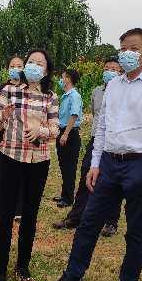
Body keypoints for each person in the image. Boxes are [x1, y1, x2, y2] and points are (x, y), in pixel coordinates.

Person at [46, 28, 142, 281]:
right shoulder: (115, 86)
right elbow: (102, 127)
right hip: (108, 162)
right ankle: (73, 275)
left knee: (136, 230)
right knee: (89, 222)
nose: (127, 53)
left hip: (139, 164)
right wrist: (95, 164)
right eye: (123, 49)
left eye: (133, 48)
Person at [0, 48, 59, 281]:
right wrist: (2, 117)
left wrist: (42, 131)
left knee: (30, 215)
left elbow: (55, 129)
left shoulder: (50, 98)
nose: (34, 66)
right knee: (6, 216)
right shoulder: (8, 92)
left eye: (40, 64)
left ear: (46, 71)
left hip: (39, 161)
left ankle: (23, 266)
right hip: (11, 158)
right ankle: (0, 272)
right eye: (31, 62)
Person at [53, 57, 124, 236]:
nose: (109, 71)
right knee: (86, 175)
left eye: (114, 69)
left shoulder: (125, 91)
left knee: (112, 181)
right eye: (107, 68)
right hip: (96, 139)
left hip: (115, 142)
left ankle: (110, 222)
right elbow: (95, 114)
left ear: (120, 72)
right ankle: (76, 217)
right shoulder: (96, 91)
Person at [0, 56, 25, 220]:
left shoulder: (28, 89)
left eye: (19, 66)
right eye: (13, 65)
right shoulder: (1, 88)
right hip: (4, 135)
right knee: (4, 173)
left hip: (22, 137)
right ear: (8, 68)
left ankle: (18, 209)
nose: (16, 68)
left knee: (21, 173)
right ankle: (0, 209)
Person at [53, 69, 83, 208]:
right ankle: (64, 194)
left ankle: (68, 198)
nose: (61, 79)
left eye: (62, 76)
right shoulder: (65, 95)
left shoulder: (74, 96)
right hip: (62, 131)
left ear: (68, 79)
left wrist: (65, 134)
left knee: (69, 167)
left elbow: (74, 115)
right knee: (63, 165)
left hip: (69, 133)